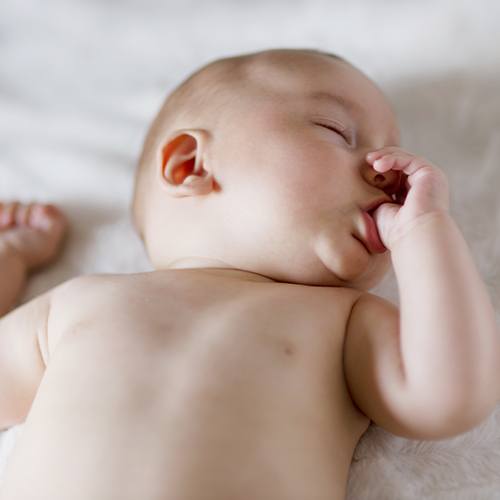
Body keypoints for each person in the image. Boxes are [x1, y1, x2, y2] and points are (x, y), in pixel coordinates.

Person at [0, 48, 498, 500]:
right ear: (189, 164)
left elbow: (452, 398)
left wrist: (427, 232)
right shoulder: (79, 302)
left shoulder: (343, 321)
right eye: (337, 131)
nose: (387, 175)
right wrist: (12, 258)